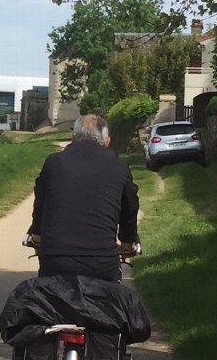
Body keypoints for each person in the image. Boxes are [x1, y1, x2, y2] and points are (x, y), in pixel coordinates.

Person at [25, 114, 140, 282]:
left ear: (73, 138)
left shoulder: (53, 163)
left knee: (48, 300)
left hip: (56, 261)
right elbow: (130, 207)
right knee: (112, 302)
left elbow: (40, 204)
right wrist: (127, 241)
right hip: (102, 262)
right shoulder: (119, 166)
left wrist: (36, 234)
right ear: (107, 142)